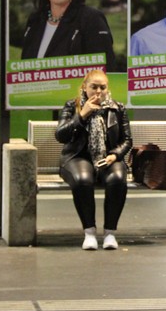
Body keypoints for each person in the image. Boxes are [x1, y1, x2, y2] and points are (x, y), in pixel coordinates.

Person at [55, 69, 132, 250]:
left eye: (102, 87)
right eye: (94, 87)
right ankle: (89, 232)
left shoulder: (117, 108)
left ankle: (110, 233)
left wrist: (115, 155)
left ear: (107, 88)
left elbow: (127, 140)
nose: (98, 91)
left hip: (107, 157)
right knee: (83, 180)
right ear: (85, 87)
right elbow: (61, 136)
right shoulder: (72, 106)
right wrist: (82, 115)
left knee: (117, 179)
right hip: (77, 156)